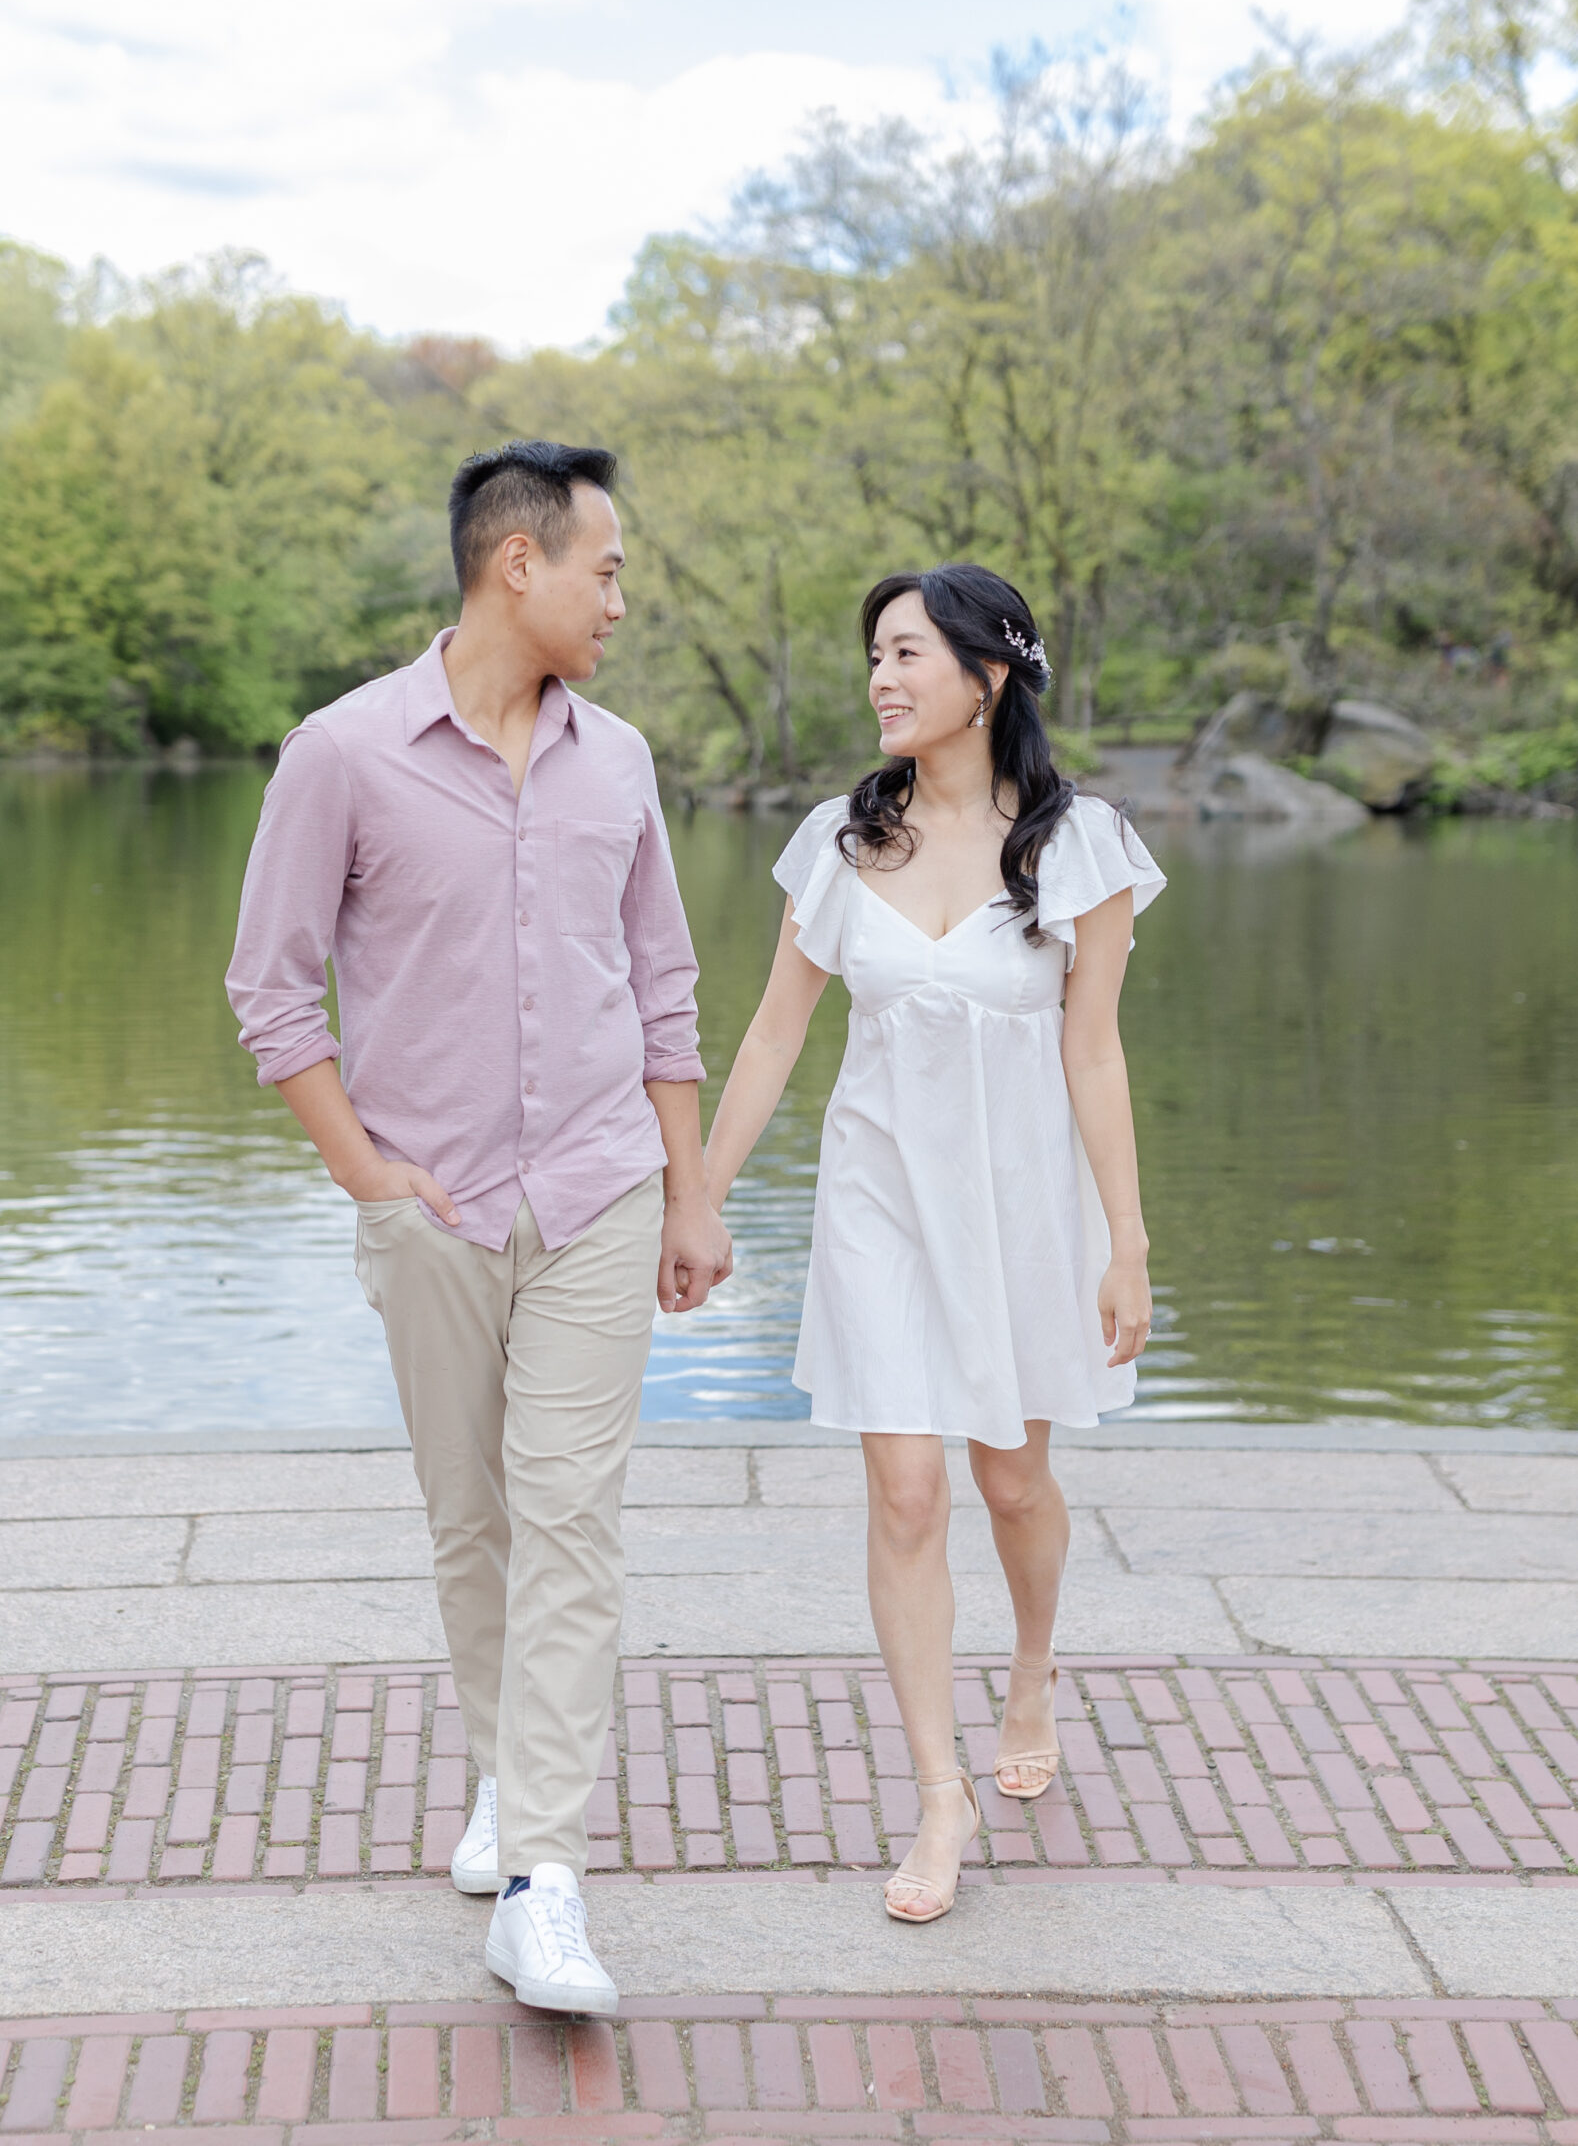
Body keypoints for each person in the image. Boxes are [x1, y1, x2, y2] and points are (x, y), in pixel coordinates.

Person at [226, 439, 732, 2015]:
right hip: (430, 1197)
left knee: (572, 1519)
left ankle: (544, 1882)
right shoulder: (344, 753)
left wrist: (689, 1183)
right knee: (476, 1523)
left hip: (597, 1187)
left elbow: (662, 984)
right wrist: (368, 1177)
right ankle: (511, 1783)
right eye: (610, 568)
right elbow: (269, 988)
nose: (622, 601)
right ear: (519, 564)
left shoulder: (623, 761)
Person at [703, 562, 1163, 1924]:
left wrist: (1125, 1242)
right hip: (877, 1203)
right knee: (905, 1491)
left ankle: (1031, 1664)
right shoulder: (839, 844)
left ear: (991, 672)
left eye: (908, 654)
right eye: (873, 657)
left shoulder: (1081, 849)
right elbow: (774, 1032)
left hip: (1022, 1204)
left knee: (1011, 1481)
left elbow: (1095, 1056)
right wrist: (702, 1195)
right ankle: (937, 1793)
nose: (882, 680)